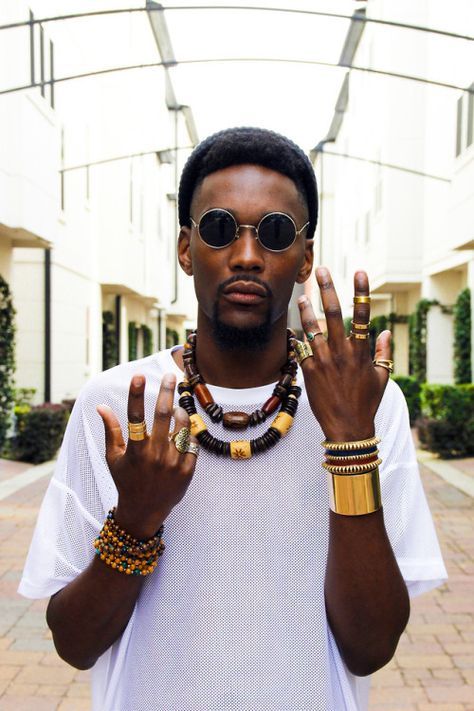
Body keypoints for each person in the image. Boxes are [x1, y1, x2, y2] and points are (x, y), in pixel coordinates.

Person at [19, 127, 446, 711]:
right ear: (186, 248)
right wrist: (136, 518)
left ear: (306, 258)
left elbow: (370, 646)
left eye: (274, 234)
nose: (247, 256)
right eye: (221, 229)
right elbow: (74, 643)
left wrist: (349, 440)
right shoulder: (120, 403)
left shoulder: (362, 402)